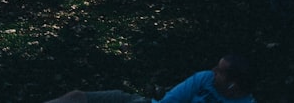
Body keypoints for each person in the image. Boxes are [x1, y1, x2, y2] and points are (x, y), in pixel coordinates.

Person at [43, 54, 255, 103]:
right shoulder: (204, 79)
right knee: (78, 97)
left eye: (220, 71)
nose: (212, 71)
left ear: (232, 84)